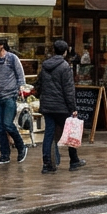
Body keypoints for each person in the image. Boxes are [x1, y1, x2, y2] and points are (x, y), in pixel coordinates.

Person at [35, 40, 84, 173]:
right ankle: (74, 161)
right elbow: (69, 90)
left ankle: (47, 165)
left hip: (47, 106)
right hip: (61, 106)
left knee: (49, 135)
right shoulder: (65, 67)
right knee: (70, 132)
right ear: (65, 51)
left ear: (54, 50)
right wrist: (73, 107)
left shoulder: (45, 66)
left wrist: (42, 97)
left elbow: (38, 84)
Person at [0, 39, 28, 165]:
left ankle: (21, 147)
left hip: (10, 96)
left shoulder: (12, 58)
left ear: (2, 46)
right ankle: (5, 155)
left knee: (7, 124)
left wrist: (21, 86)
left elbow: (20, 74)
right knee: (0, 128)